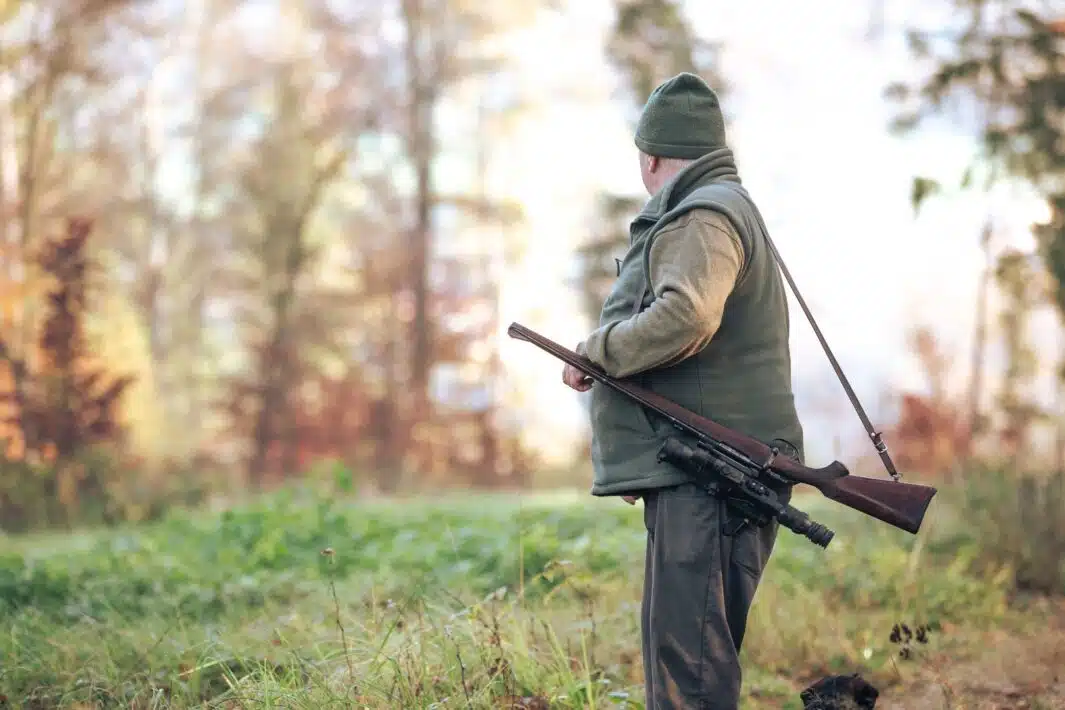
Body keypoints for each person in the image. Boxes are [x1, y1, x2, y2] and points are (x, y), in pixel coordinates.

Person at [562, 72, 805, 709]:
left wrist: (599, 350)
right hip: (714, 472)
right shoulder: (725, 206)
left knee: (688, 674)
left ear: (650, 157)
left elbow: (689, 315)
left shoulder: (702, 214)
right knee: (693, 662)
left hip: (712, 479)